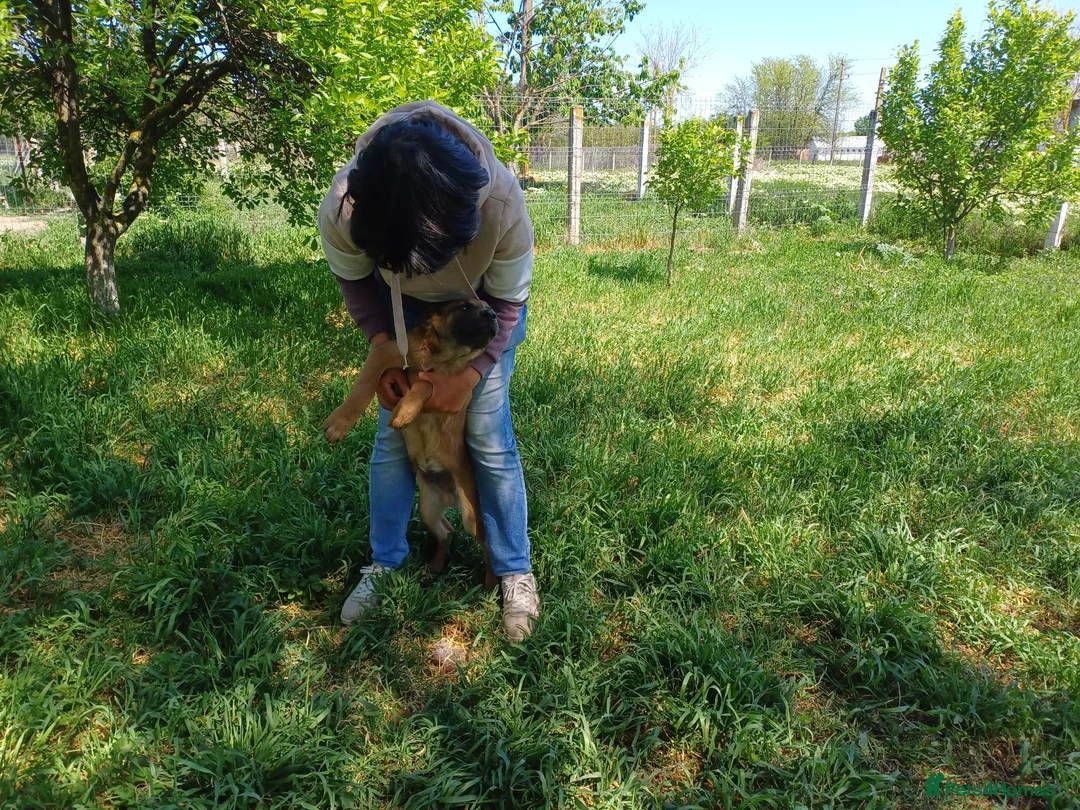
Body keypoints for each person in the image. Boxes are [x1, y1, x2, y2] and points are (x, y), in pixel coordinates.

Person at [317, 100, 539, 640]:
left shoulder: (503, 207)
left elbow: (507, 305)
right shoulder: (345, 209)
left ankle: (514, 570)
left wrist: (468, 375)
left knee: (486, 436)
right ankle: (385, 564)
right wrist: (384, 346)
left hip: (481, 317)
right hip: (404, 318)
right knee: (394, 442)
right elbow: (354, 285)